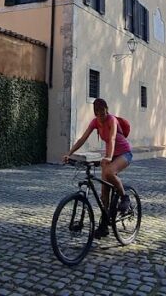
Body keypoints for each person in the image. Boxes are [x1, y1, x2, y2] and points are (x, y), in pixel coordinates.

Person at [62, 97, 133, 237]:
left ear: (107, 110)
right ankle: (104, 225)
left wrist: (108, 157)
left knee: (110, 172)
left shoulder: (112, 120)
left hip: (124, 153)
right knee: (103, 195)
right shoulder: (95, 122)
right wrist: (69, 154)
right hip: (110, 156)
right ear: (95, 113)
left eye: (103, 112)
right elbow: (82, 138)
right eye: (98, 112)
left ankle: (125, 197)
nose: (100, 115)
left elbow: (112, 138)